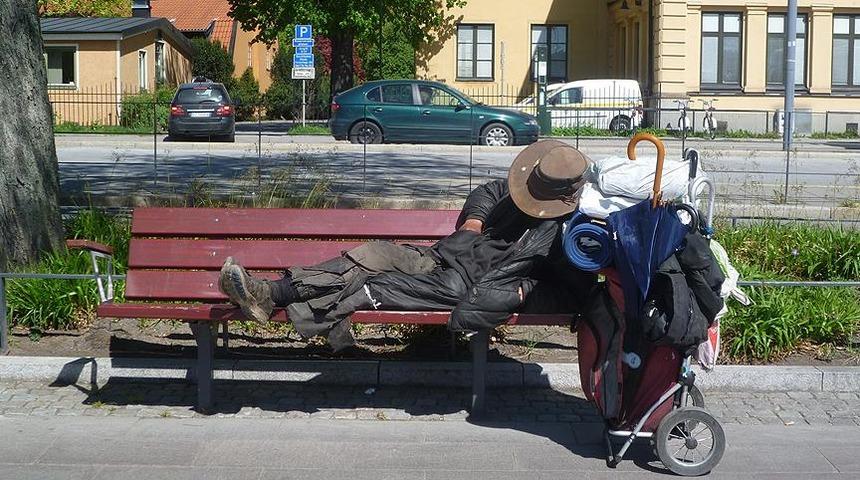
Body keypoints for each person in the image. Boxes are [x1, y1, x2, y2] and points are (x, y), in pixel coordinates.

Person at [219, 140, 597, 350]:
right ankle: (267, 293)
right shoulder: (523, 188)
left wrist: (520, 291)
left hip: (463, 289)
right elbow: (491, 189)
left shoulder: (571, 232)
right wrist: (474, 220)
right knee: (371, 254)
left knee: (370, 285)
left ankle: (271, 295)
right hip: (441, 256)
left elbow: (572, 294)